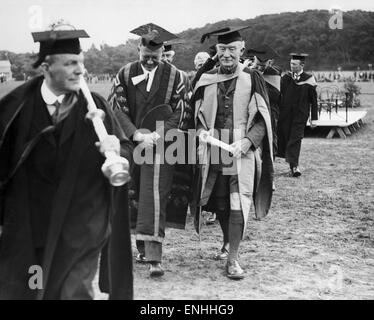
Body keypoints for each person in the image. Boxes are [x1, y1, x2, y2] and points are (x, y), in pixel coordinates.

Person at [0, 25, 133, 299]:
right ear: (46, 67)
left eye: (81, 63)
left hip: (81, 223)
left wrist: (118, 152)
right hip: (31, 224)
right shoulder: (16, 108)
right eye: (71, 63)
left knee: (74, 293)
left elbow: (126, 153)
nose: (80, 70)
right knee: (32, 291)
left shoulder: (94, 107)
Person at [109, 23, 190, 277]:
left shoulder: (177, 77)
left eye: (155, 57)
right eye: (146, 56)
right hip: (132, 141)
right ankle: (140, 249)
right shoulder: (123, 74)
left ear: (163, 52)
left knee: (154, 196)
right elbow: (117, 109)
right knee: (131, 193)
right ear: (138, 49)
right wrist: (135, 134)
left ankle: (155, 257)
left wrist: (159, 134)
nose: (151, 61)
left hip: (161, 145)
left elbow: (181, 112)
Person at [192, 26, 274, 279]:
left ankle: (233, 259)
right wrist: (201, 131)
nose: (227, 54)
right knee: (220, 204)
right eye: (222, 49)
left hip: (241, 151)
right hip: (215, 150)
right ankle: (227, 242)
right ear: (216, 51)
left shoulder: (252, 78)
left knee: (239, 203)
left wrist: (249, 141)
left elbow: (263, 118)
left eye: (231, 49)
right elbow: (196, 114)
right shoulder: (206, 80)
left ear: (242, 48)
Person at [277, 53, 318, 177]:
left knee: (296, 139)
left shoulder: (309, 80)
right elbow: (278, 95)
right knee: (285, 138)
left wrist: (314, 118)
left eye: (294, 64)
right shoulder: (285, 78)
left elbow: (314, 100)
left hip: (300, 115)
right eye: (291, 63)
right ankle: (291, 164)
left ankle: (295, 166)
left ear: (302, 65)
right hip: (285, 115)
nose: (292, 66)